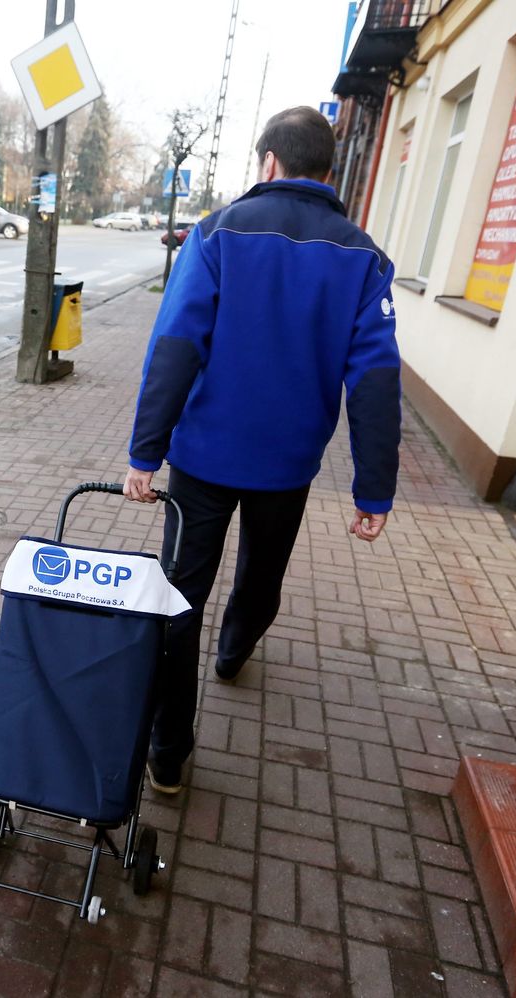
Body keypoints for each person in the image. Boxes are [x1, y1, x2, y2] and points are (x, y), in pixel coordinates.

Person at [124, 106, 402, 795]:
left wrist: (144, 452)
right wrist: (374, 490)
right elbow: (375, 380)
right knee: (262, 572)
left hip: (201, 459)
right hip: (288, 466)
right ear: (327, 170)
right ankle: (235, 647)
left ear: (269, 162)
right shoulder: (362, 256)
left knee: (179, 595)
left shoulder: (218, 233)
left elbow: (176, 348)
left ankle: (168, 751)